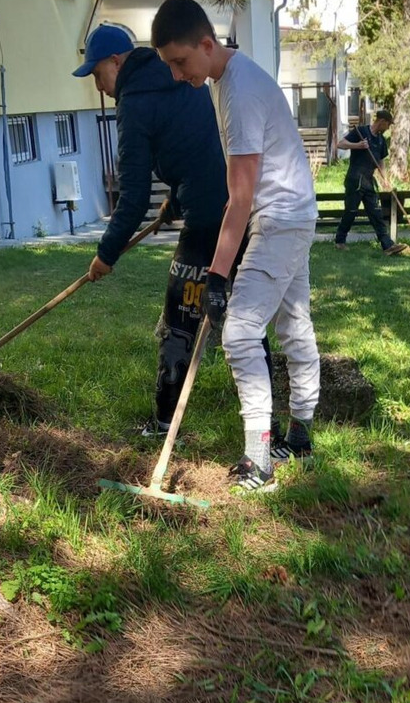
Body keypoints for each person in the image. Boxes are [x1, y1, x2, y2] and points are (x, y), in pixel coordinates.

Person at [151, 0, 321, 493]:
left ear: (207, 43)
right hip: (292, 210)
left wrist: (217, 277)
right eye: (170, 66)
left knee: (241, 333)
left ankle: (258, 460)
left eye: (180, 62)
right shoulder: (224, 81)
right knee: (293, 323)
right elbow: (231, 176)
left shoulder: (240, 90)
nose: (178, 75)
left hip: (280, 217)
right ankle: (301, 437)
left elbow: (241, 197)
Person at [73, 24, 274, 440]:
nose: (100, 86)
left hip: (207, 220)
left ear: (116, 62)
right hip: (237, 209)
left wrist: (106, 255)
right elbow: (196, 145)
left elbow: (131, 197)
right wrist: (177, 200)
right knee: (247, 319)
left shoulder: (134, 102)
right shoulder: (176, 73)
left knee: (179, 324)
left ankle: (166, 423)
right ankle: (267, 424)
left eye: (97, 75)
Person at [332, 111, 410, 255]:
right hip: (355, 179)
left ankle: (387, 245)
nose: (388, 128)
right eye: (388, 124)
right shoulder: (361, 132)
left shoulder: (380, 140)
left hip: (368, 180)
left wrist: (384, 178)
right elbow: (340, 144)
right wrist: (358, 145)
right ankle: (340, 241)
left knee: (376, 213)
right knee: (351, 212)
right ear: (381, 121)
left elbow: (380, 161)